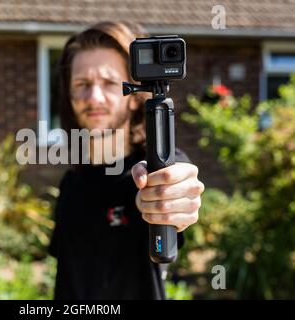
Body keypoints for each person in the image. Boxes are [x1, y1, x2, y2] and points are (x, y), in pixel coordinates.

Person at [48, 21, 205, 300]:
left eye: (109, 83)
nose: (93, 98)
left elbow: (171, 186)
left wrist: (171, 200)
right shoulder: (70, 183)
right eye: (82, 84)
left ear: (133, 97)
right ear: (70, 96)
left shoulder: (154, 170)